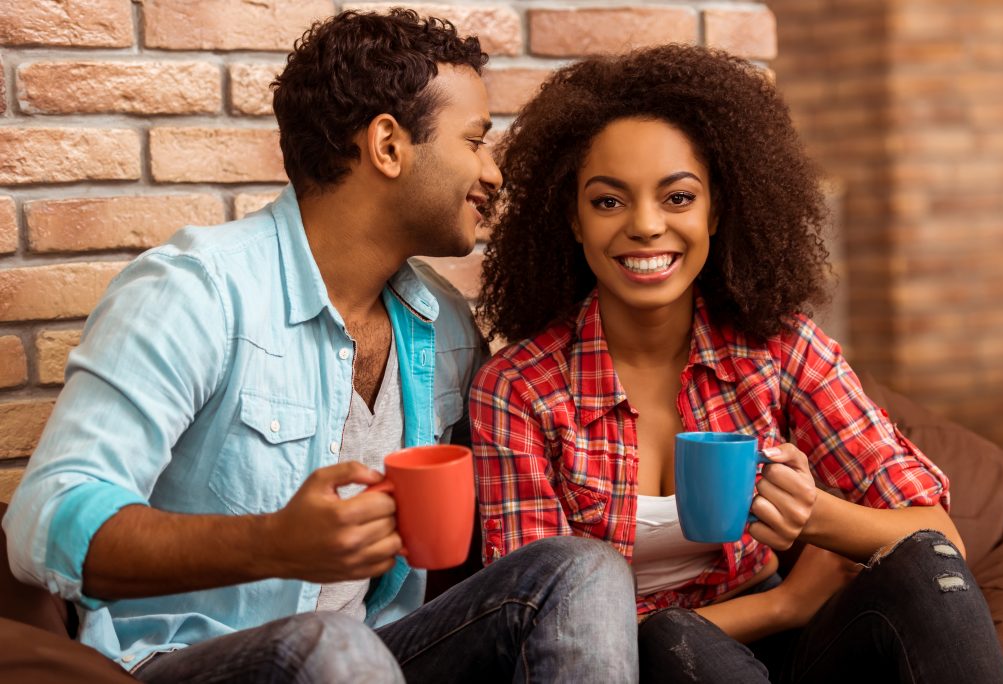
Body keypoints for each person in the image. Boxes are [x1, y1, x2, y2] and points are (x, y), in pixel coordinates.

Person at [2, 9, 640, 683]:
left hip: (377, 652)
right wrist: (272, 544)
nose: (493, 174)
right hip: (188, 662)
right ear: (388, 146)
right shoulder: (196, 294)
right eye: (476, 141)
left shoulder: (446, 326)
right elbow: (46, 519)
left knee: (580, 569)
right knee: (332, 646)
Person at [470, 44, 1003, 683]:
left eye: (677, 198)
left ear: (717, 210)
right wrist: (782, 604)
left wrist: (817, 518)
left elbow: (938, 532)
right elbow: (550, 622)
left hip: (795, 655)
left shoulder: (780, 351)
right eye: (609, 202)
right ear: (573, 217)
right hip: (636, 661)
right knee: (675, 638)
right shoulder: (517, 390)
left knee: (924, 566)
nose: (646, 226)